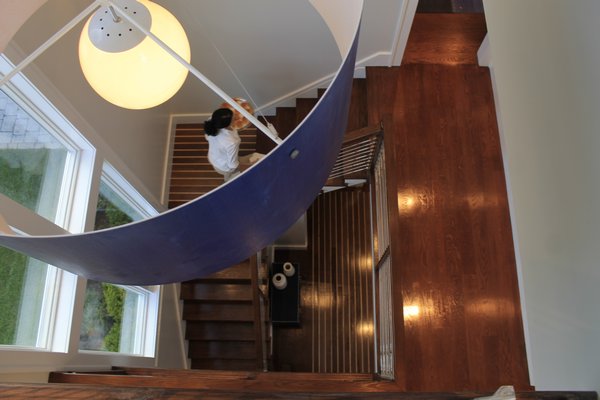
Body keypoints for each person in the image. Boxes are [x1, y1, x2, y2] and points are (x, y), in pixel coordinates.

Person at [204, 108, 265, 181]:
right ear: (228, 124)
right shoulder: (231, 142)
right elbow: (233, 165)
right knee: (259, 158)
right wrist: (252, 165)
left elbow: (207, 137)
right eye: (234, 118)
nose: (236, 116)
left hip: (213, 157)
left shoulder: (212, 120)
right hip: (224, 167)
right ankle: (229, 180)